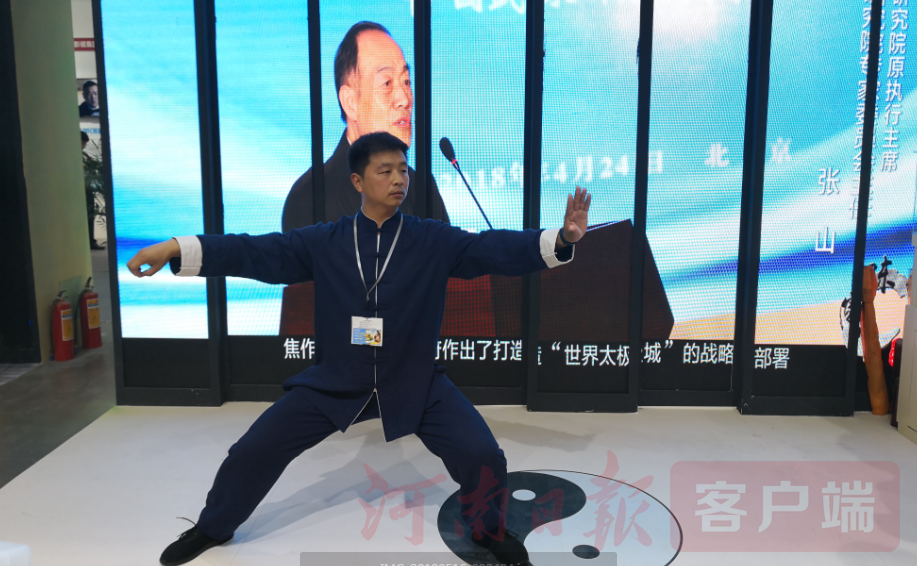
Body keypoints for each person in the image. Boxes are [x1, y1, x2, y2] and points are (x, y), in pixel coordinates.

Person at [127, 132, 590, 566]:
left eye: (403, 170)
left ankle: (487, 531)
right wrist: (176, 248)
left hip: (413, 380)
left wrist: (561, 239)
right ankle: (213, 527)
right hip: (337, 379)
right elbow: (255, 252)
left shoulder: (432, 239)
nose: (398, 179)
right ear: (357, 181)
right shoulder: (324, 241)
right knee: (252, 451)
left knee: (482, 455)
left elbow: (492, 248)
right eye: (385, 171)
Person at [279, 22, 451, 334]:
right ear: (351, 102)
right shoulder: (311, 197)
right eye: (387, 83)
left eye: (406, 81)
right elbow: (317, 317)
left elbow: (451, 289)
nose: (404, 98)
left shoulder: (422, 188)